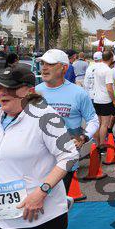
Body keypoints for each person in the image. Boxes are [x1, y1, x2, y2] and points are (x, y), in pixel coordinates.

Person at [0, 66, 86, 229]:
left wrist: (42, 192)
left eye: (10, 88)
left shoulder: (46, 117)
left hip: (44, 210)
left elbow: (68, 155)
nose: (2, 93)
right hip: (4, 213)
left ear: (29, 91)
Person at [35, 49, 99, 193]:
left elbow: (93, 120)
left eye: (50, 64)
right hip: (38, 162)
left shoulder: (78, 93)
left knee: (58, 202)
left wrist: (83, 137)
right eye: (43, 63)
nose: (44, 68)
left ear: (64, 68)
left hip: (64, 162)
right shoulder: (34, 92)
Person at [92, 50, 115, 151]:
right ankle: (102, 146)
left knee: (99, 123)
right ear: (111, 58)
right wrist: (114, 100)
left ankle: (97, 144)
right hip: (105, 100)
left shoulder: (96, 68)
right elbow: (109, 88)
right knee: (104, 124)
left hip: (96, 98)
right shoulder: (108, 70)